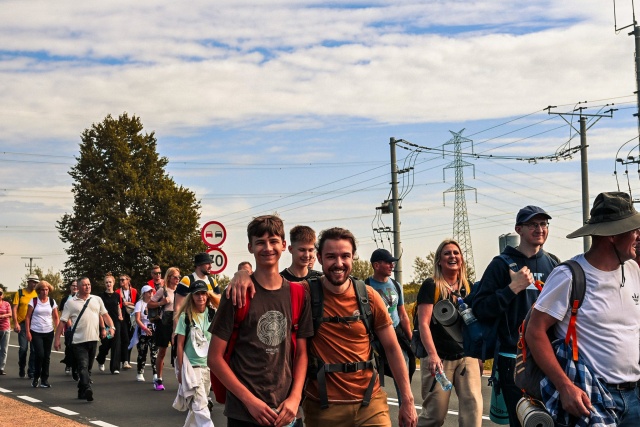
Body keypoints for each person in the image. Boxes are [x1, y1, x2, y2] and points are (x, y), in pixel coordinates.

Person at [224, 226, 419, 427]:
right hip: (323, 408)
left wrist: (408, 400)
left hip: (370, 404)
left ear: (353, 257)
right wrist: (243, 274)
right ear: (319, 258)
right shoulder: (305, 293)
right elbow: (270, 285)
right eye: (331, 256)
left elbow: (392, 348)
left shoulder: (368, 296)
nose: (339, 263)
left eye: (345, 256)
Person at [527, 192, 640, 426]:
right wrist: (564, 386)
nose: (638, 235)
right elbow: (534, 332)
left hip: (635, 396)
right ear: (612, 235)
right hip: (591, 397)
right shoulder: (568, 275)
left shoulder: (633, 269)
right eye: (634, 229)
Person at [209, 215, 313, 427]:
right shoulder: (236, 294)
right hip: (244, 412)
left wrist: (295, 399)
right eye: (260, 242)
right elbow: (214, 358)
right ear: (250, 247)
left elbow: (302, 353)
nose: (268, 248)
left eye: (274, 241)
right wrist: (249, 401)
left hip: (288, 411)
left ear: (283, 245)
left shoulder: (299, 294)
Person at [472, 205, 558, 427]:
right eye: (533, 224)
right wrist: (512, 289)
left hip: (549, 357)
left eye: (543, 224)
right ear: (518, 229)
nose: (540, 229)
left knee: (551, 421)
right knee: (524, 422)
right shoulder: (500, 264)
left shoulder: (554, 264)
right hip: (514, 359)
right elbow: (480, 309)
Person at [415, 239, 482, 427]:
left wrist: (478, 355)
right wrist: (432, 355)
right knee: (434, 415)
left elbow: (475, 324)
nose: (452, 256)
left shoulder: (468, 287)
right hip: (439, 358)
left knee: (473, 414)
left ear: (461, 258)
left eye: (456, 253)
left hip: (466, 357)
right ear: (439, 260)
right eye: (447, 253)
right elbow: (423, 324)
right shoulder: (431, 286)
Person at [54, 277, 115, 402]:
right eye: (84, 285)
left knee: (88, 368)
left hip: (93, 339)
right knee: (82, 365)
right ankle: (87, 388)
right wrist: (57, 339)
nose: (88, 287)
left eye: (89, 284)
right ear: (79, 287)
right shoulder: (71, 302)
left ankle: (81, 391)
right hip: (78, 340)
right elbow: (62, 321)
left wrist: (111, 327)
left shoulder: (96, 299)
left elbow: (105, 315)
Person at [366, 248, 414, 404]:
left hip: (395, 334)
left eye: (392, 262)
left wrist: (411, 339)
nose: (392, 265)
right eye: (388, 262)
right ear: (376, 265)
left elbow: (402, 314)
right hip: (374, 337)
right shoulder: (365, 287)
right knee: (370, 375)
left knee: (403, 372)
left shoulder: (396, 285)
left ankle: (405, 407)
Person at [174, 281, 215, 427]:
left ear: (207, 295)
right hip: (191, 367)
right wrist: (180, 370)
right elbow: (179, 345)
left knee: (196, 406)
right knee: (200, 405)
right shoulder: (185, 317)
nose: (200, 297)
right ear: (192, 296)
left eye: (203, 293)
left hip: (208, 366)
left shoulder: (213, 314)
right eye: (197, 294)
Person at [148, 266, 179, 391]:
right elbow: (150, 303)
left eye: (179, 277)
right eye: (175, 277)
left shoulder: (181, 291)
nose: (177, 279)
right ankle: (158, 379)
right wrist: (161, 302)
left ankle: (182, 380)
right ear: (169, 277)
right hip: (165, 323)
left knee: (179, 351)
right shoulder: (163, 290)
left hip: (177, 321)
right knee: (162, 351)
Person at [25, 280, 59, 388]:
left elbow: (56, 317)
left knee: (47, 356)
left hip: (49, 332)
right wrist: (28, 332)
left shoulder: (52, 301)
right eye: (43, 290)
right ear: (39, 290)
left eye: (46, 289)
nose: (45, 292)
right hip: (36, 332)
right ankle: (36, 377)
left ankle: (44, 380)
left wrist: (58, 330)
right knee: (40, 354)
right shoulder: (34, 301)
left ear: (49, 290)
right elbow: (28, 317)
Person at [12, 273, 39, 379]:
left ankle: (31, 371)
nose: (34, 284)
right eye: (33, 282)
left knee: (34, 350)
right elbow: (14, 308)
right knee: (23, 348)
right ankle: (22, 366)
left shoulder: (37, 294)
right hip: (22, 324)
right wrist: (16, 323)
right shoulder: (20, 293)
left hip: (34, 324)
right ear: (28, 282)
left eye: (36, 282)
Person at [96, 273, 123, 374]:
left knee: (116, 343)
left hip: (115, 322)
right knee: (106, 343)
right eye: (106, 282)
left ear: (113, 283)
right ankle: (100, 359)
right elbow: (99, 311)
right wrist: (102, 325)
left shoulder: (117, 295)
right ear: (104, 284)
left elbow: (118, 306)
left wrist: (120, 315)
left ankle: (115, 368)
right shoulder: (101, 296)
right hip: (105, 322)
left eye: (110, 282)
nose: (108, 284)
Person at [130, 285, 157, 382]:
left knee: (154, 354)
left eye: (151, 291)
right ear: (144, 293)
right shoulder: (139, 304)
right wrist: (144, 329)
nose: (151, 293)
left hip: (153, 330)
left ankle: (156, 374)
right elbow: (137, 319)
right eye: (149, 292)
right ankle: (140, 372)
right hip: (142, 330)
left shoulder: (154, 303)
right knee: (142, 352)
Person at [115, 274, 137, 370]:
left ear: (128, 280)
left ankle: (126, 359)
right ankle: (125, 361)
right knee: (126, 339)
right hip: (122, 316)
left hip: (132, 316)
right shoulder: (117, 292)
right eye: (120, 280)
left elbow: (138, 303)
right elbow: (117, 304)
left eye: (123, 280)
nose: (121, 281)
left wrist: (128, 303)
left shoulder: (134, 291)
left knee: (131, 339)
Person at [59, 280, 78, 376]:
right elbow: (63, 314)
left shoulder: (82, 299)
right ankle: (68, 364)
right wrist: (69, 326)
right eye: (73, 285)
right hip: (68, 327)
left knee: (78, 347)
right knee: (69, 346)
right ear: (70, 287)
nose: (75, 287)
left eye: (76, 285)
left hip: (79, 327)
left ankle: (76, 366)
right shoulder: (66, 299)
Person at [0, 288, 12, 375]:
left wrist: (2, 316)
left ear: (2, 295)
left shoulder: (6, 304)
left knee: (4, 349)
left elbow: (10, 314)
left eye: (0, 293)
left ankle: (1, 368)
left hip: (5, 328)